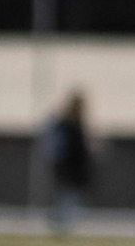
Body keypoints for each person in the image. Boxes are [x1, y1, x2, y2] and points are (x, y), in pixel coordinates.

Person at [40, 89, 97, 234]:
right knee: (67, 197)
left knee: (71, 198)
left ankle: (62, 224)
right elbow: (60, 147)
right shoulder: (65, 124)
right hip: (67, 168)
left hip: (75, 169)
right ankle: (59, 224)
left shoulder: (76, 124)